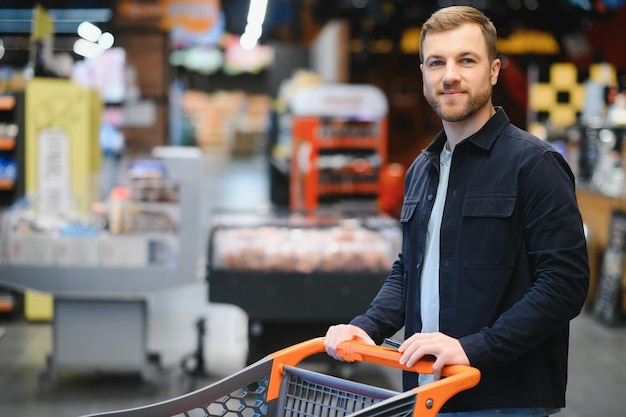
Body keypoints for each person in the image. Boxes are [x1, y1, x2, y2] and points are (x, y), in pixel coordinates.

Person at [324, 5, 589, 417]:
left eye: (467, 60)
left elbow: (564, 285)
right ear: (424, 74)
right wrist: (368, 326)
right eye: (436, 62)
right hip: (425, 391)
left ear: (494, 71)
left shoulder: (534, 165)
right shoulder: (421, 170)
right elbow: (410, 268)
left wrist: (472, 348)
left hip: (502, 398)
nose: (450, 75)